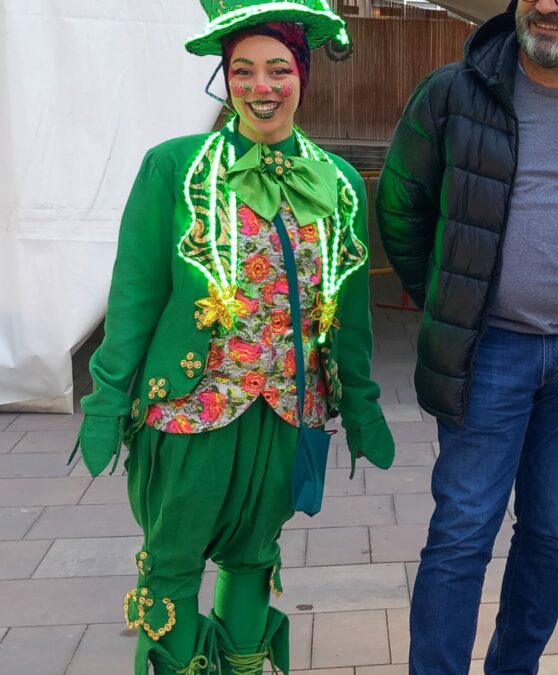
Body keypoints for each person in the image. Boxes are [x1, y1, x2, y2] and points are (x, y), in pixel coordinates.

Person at [72, 2, 394, 672]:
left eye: (278, 69)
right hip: (192, 413)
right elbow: (134, 297)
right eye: (242, 70)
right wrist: (105, 402)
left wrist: (360, 404)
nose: (261, 86)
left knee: (253, 560)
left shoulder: (337, 184)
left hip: (287, 412)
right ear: (225, 79)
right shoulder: (176, 168)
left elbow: (350, 309)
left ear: (303, 76)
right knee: (174, 563)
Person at [376, 0, 558, 671]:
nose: (549, 5)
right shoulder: (453, 95)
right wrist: (450, 300)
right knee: (462, 529)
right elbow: (399, 207)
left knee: (551, 531)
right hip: (491, 351)